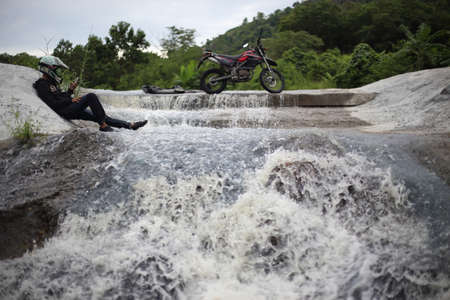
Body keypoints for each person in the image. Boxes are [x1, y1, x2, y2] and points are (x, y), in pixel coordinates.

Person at [33, 55, 147, 132]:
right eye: (57, 70)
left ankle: (130, 125)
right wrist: (70, 100)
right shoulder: (42, 84)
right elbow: (52, 103)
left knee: (100, 116)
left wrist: (70, 91)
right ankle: (103, 126)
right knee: (91, 97)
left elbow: (60, 98)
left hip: (68, 107)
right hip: (65, 111)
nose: (59, 72)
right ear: (49, 69)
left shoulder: (50, 82)